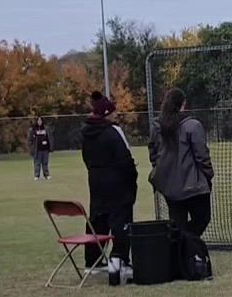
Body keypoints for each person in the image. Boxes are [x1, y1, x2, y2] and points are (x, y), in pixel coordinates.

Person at [80, 92, 138, 275]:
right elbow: (125, 159)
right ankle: (119, 259)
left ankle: (93, 261)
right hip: (117, 183)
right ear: (106, 114)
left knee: (98, 219)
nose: (116, 115)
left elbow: (86, 158)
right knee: (121, 219)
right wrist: (132, 178)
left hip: (96, 182)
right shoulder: (112, 132)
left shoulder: (86, 134)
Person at [149, 88, 214, 238]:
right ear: (183, 104)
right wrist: (208, 175)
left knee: (178, 224)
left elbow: (153, 153)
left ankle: (181, 245)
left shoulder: (157, 127)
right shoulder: (192, 126)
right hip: (194, 187)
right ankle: (186, 244)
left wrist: (159, 172)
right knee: (202, 219)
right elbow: (202, 155)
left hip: (170, 186)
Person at [28, 115, 52, 180]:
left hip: (45, 149)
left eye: (40, 120)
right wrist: (31, 148)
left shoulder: (46, 128)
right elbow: (30, 140)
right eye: (38, 120)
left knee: (45, 163)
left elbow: (49, 138)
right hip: (37, 150)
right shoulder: (33, 129)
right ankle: (36, 175)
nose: (39, 121)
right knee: (37, 163)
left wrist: (50, 147)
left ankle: (46, 175)